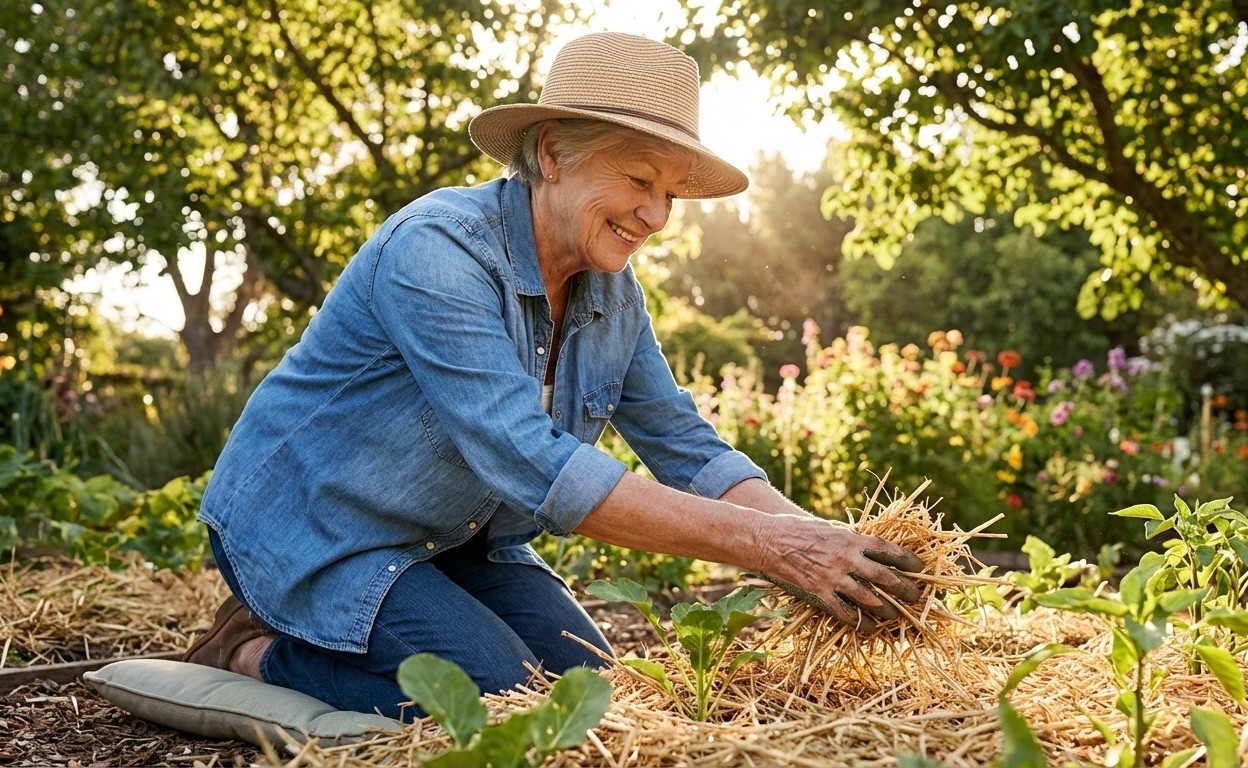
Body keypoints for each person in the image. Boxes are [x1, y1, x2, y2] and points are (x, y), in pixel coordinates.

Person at [184, 31, 925, 720]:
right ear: (549, 153)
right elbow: (530, 460)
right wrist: (772, 550)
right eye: (638, 178)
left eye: (669, 192)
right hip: (317, 527)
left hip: (452, 538)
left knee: (581, 691)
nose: (657, 214)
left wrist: (829, 545)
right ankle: (256, 649)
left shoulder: (613, 294)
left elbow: (688, 449)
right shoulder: (437, 253)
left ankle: (355, 631)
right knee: (493, 694)